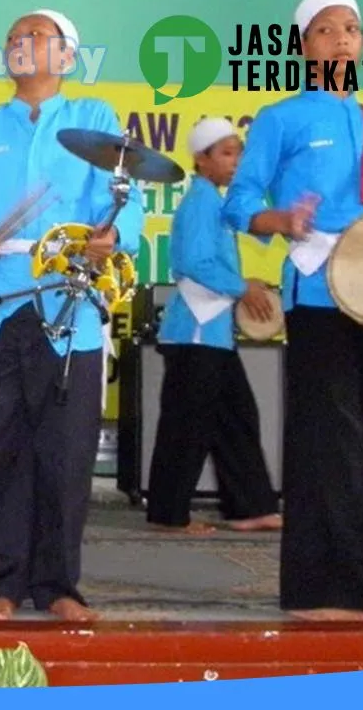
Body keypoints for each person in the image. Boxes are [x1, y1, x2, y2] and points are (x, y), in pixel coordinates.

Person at [0, 9, 145, 622]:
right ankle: (5, 581)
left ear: (67, 56)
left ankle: (59, 587)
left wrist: (112, 233)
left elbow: (127, 204)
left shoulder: (94, 120)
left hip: (69, 300)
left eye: (36, 37)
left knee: (66, 449)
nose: (22, 46)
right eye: (14, 39)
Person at [222, 0, 363, 621]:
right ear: (304, 46)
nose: (343, 38)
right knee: (329, 443)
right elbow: (238, 202)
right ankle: (324, 592)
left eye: (352, 28)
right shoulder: (281, 118)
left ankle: (352, 578)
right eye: (327, 29)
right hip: (320, 291)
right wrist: (283, 220)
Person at [147, 118, 283, 536]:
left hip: (212, 332)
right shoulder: (201, 202)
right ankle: (169, 514)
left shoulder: (217, 203)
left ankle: (250, 506)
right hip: (195, 331)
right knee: (188, 425)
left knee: (236, 418)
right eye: (226, 153)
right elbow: (195, 263)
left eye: (238, 152)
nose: (235, 161)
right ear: (201, 161)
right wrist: (243, 287)